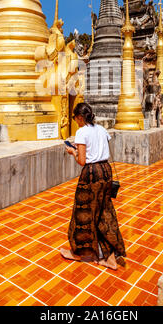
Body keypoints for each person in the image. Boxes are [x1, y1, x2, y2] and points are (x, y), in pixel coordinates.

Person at [60, 102, 126, 270]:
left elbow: (82, 161)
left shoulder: (82, 132)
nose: (76, 122)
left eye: (76, 119)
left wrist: (73, 151)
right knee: (104, 212)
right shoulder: (101, 129)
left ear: (80, 117)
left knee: (83, 214)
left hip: (91, 174)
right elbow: (99, 147)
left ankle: (78, 252)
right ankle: (110, 256)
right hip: (106, 171)